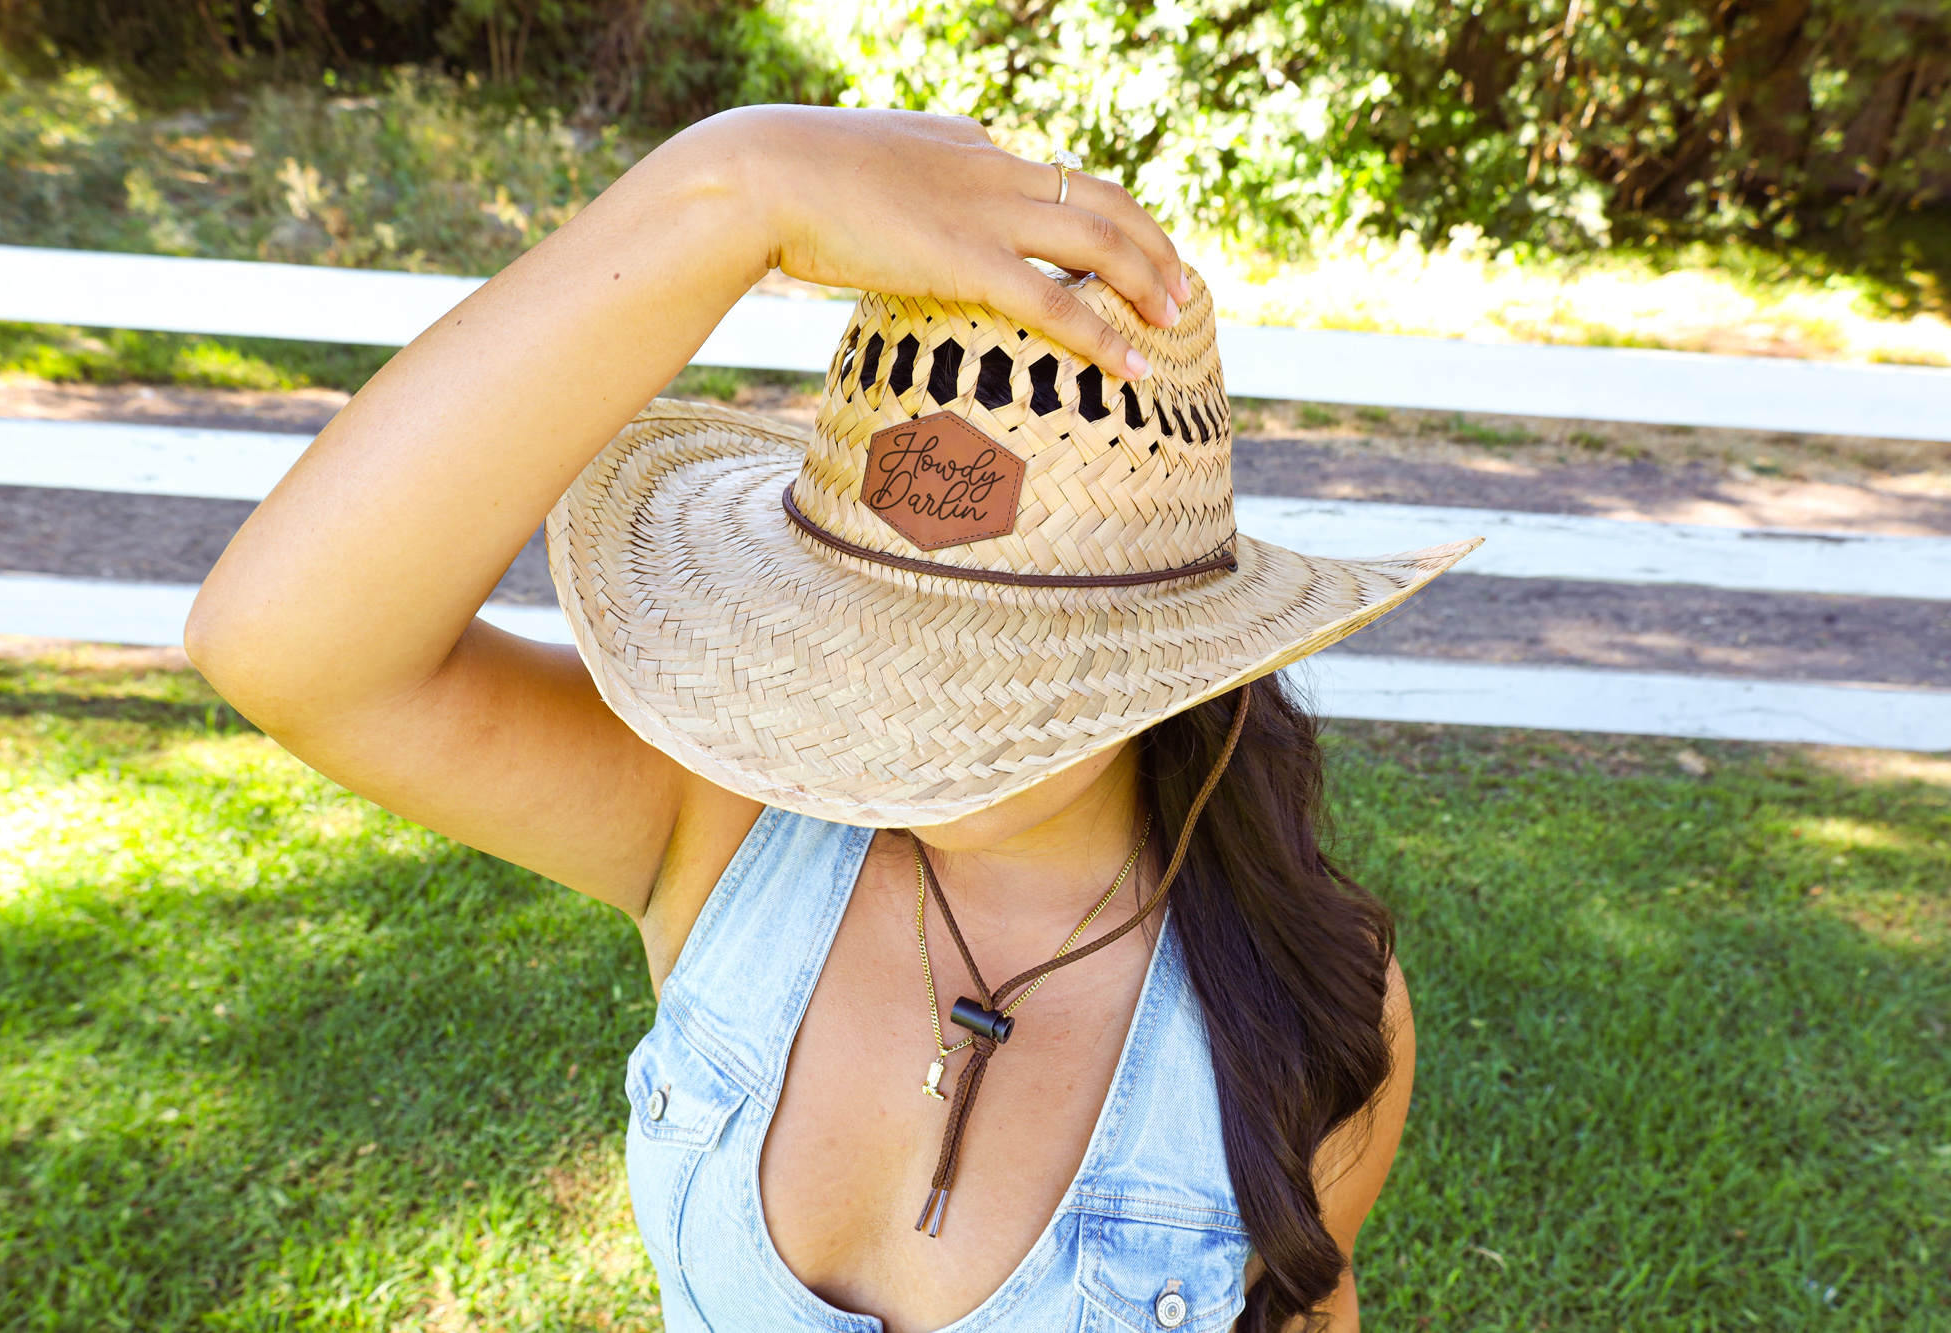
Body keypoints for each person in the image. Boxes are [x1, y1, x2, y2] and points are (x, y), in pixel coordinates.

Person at [186, 106, 1476, 1333]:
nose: (926, 716)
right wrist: (733, 187)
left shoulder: (1311, 999)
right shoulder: (727, 825)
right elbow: (285, 649)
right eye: (874, 627)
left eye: (1021, 645)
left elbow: (1309, 1294)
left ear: (1183, 651)